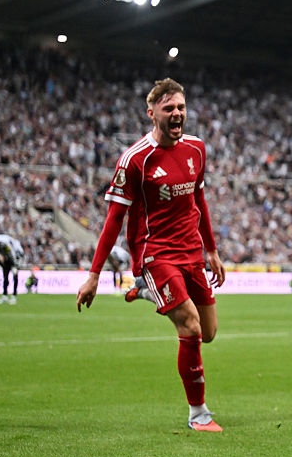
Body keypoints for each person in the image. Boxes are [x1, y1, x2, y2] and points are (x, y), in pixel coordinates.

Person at [76, 78, 227, 432]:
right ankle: (198, 413)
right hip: (155, 254)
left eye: (181, 108)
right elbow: (114, 219)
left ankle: (144, 290)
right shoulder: (135, 160)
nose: (177, 114)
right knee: (189, 324)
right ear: (152, 113)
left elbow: (199, 202)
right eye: (169, 108)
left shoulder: (197, 150)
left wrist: (212, 250)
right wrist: (95, 274)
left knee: (209, 332)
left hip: (192, 252)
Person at [0, 233, 23, 305]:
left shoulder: (7, 243)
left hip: (16, 258)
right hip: (7, 258)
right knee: (5, 277)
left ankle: (14, 296)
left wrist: (15, 264)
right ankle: (5, 296)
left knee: (15, 276)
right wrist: (0, 263)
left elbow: (13, 253)